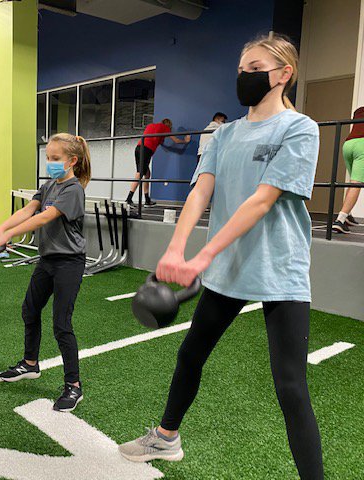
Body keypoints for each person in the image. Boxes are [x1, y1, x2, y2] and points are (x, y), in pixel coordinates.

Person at [119, 33, 324, 480]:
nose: (244, 76)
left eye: (255, 68)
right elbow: (201, 193)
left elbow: (262, 200)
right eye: (241, 69)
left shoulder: (299, 128)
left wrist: (201, 255)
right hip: (229, 270)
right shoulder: (225, 133)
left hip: (279, 268)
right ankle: (166, 437)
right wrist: (176, 248)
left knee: (291, 386)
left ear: (283, 73)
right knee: (190, 355)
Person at [0, 133, 91, 413]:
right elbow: (30, 209)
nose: (50, 163)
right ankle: (30, 364)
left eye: (55, 158)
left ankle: (74, 385)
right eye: (48, 158)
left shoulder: (73, 189)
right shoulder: (48, 187)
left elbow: (45, 217)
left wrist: (7, 234)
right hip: (47, 260)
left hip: (69, 263)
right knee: (30, 310)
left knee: (62, 324)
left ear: (72, 161)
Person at [125, 118, 190, 207]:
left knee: (147, 174)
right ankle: (128, 199)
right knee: (140, 173)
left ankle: (147, 200)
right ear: (169, 126)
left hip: (138, 148)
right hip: (146, 150)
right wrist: (185, 141)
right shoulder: (165, 128)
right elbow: (176, 140)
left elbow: (159, 141)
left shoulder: (152, 126)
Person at [332, 106, 363, 233]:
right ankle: (340, 220)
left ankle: (348, 214)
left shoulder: (359, 110)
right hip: (362, 145)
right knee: (357, 183)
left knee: (352, 182)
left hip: (349, 144)